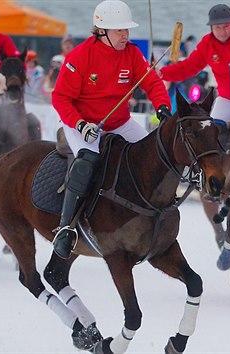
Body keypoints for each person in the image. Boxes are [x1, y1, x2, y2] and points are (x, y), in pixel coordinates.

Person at [51, 0, 171, 259]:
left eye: (127, 29)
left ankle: (156, 211)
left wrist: (162, 107)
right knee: (87, 162)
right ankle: (66, 228)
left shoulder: (131, 53)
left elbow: (153, 82)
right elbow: (60, 98)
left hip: (120, 122)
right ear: (101, 31)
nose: (125, 35)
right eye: (119, 30)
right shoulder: (80, 56)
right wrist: (80, 124)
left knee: (156, 152)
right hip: (83, 123)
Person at [159, 4, 230, 131]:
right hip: (228, 99)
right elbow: (188, 67)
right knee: (212, 131)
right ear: (211, 27)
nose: (222, 32)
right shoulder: (207, 44)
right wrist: (162, 74)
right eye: (218, 27)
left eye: (226, 27)